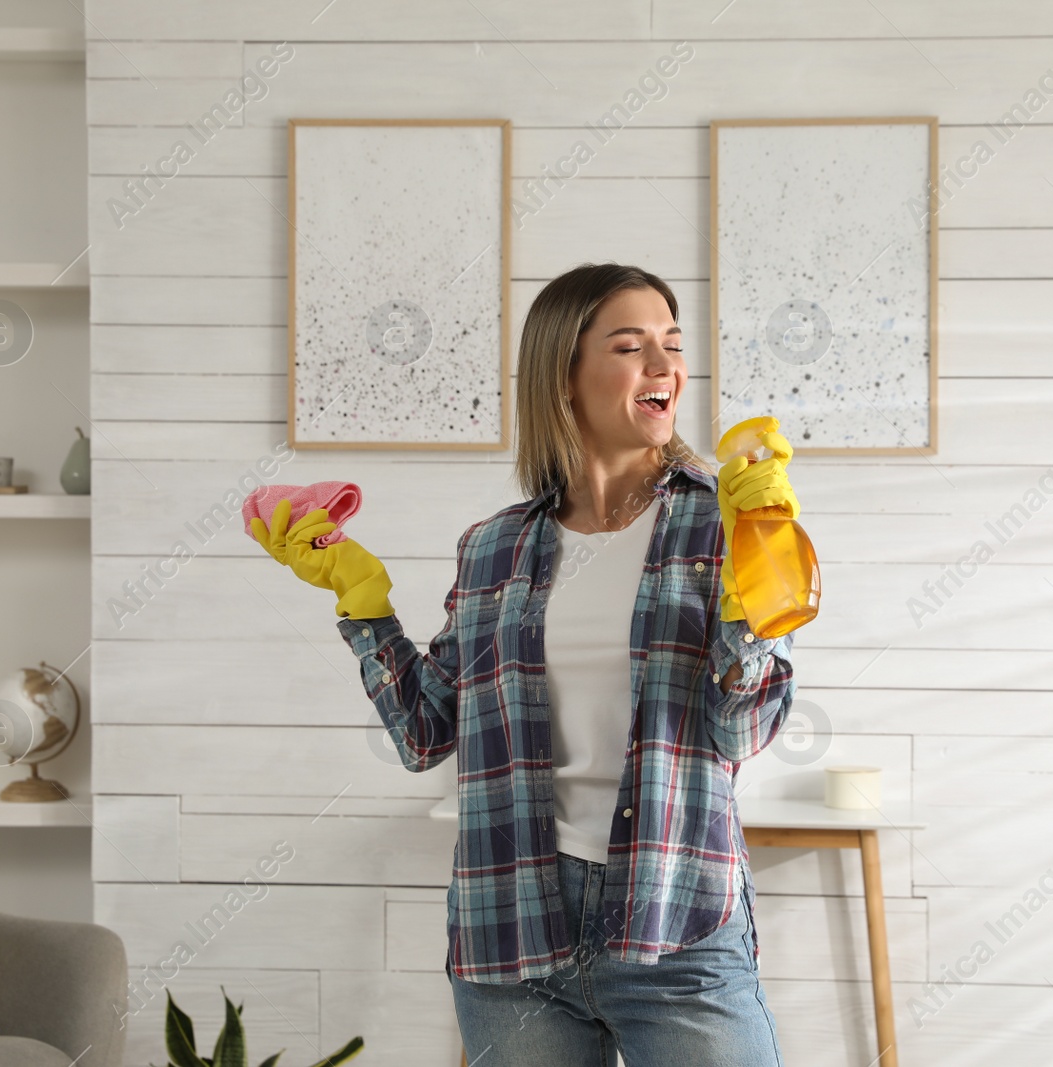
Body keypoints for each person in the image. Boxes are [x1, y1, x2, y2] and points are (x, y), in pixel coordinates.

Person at [251, 262, 809, 1065]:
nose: (665, 367)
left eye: (673, 345)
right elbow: (425, 731)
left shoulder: (728, 518)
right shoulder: (495, 545)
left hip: (676, 928)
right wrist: (361, 597)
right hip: (512, 935)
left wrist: (756, 594)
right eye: (631, 345)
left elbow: (743, 728)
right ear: (566, 376)